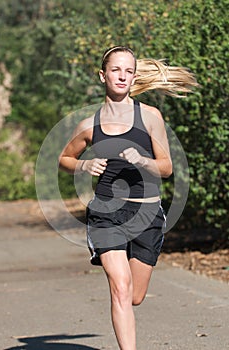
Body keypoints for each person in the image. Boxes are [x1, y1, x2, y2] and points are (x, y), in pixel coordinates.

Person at [59, 46, 198, 350]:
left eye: (128, 71)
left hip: (147, 215)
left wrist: (142, 160)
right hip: (106, 215)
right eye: (116, 70)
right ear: (102, 75)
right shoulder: (88, 126)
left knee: (134, 296)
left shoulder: (150, 117)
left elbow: (166, 168)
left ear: (134, 76)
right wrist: (83, 164)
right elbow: (65, 158)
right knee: (120, 289)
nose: (122, 76)